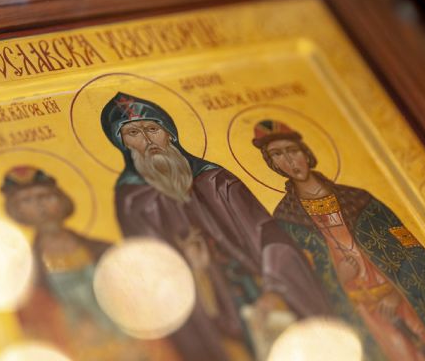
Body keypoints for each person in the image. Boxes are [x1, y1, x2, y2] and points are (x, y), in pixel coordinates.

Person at [100, 93, 330, 361]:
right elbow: (149, 271)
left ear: (169, 134)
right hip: (204, 305)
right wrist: (194, 270)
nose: (148, 141)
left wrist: (275, 288)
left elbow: (268, 235)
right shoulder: (133, 200)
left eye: (152, 129)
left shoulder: (216, 180)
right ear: (122, 143)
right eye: (133, 133)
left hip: (259, 287)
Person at [252, 119, 425, 361]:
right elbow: (301, 281)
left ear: (305, 152)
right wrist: (336, 275)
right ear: (272, 163)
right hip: (357, 314)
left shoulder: (359, 200)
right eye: (277, 154)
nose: (289, 160)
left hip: (403, 298)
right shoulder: (286, 218)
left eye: (292, 150)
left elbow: (410, 248)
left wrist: (399, 291)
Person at [1, 165, 180, 361]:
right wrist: (69, 325)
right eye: (27, 201)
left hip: (129, 343)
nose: (40, 206)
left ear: (61, 199)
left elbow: (138, 296)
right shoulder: (28, 272)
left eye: (45, 196)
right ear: (16, 210)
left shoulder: (102, 249)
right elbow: (34, 324)